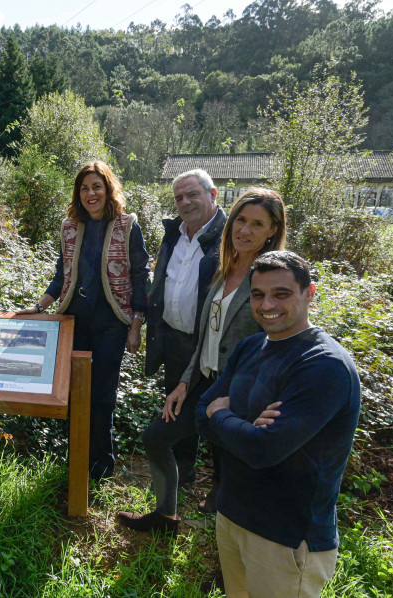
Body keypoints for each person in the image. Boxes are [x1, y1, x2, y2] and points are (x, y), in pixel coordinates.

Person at [119, 188, 286, 534]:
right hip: (206, 383)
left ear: (272, 230)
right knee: (156, 437)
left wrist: (244, 397)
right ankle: (165, 517)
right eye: (241, 220)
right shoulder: (224, 267)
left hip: (245, 395)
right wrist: (184, 382)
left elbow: (282, 344)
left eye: (258, 224)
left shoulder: (271, 278)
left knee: (237, 476)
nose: (245, 230)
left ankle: (232, 569)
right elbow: (207, 335)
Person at [195, 251, 360, 597]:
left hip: (287, 536)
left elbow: (262, 449)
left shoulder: (322, 365)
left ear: (309, 293)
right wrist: (245, 426)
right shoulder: (250, 347)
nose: (267, 303)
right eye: (258, 294)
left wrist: (224, 415)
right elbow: (200, 411)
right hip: (233, 514)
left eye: (281, 294)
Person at [17, 161, 150, 480]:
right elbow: (62, 275)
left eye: (97, 186)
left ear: (108, 189)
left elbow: (140, 275)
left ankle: (101, 466)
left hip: (111, 324)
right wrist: (39, 306)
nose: (91, 193)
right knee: (74, 391)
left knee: (102, 396)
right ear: (78, 193)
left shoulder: (127, 225)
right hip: (73, 320)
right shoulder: (70, 226)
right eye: (85, 188)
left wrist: (135, 324)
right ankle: (75, 457)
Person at [143, 169, 227, 488]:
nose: (185, 202)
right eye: (179, 197)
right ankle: (182, 473)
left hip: (211, 343)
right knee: (176, 408)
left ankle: (222, 487)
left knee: (218, 412)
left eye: (192, 194)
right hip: (175, 339)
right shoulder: (174, 234)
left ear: (213, 194)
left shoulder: (229, 236)